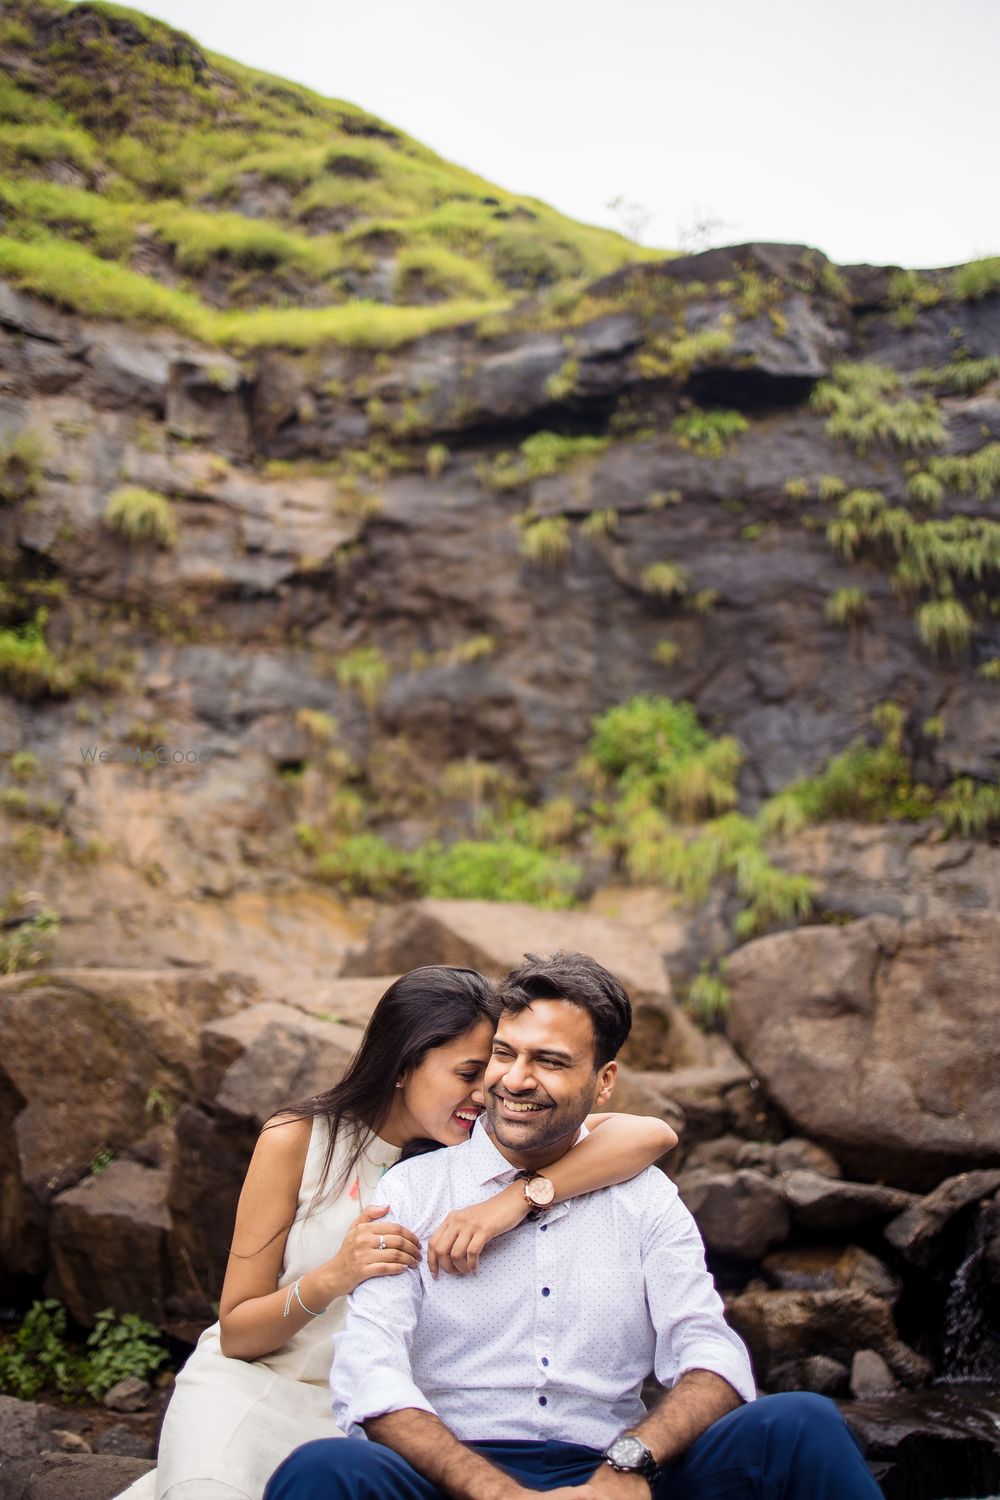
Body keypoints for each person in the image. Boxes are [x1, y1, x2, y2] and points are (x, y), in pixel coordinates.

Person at [265, 951, 885, 1500]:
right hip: (453, 1475)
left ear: (604, 1081)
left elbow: (712, 1355)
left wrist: (629, 1465)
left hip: (614, 1471)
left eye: (551, 1061)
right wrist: (496, 1492)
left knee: (803, 1423)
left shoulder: (647, 1199)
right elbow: (370, 1373)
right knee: (327, 1469)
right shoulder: (415, 1190)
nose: (515, 1079)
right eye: (504, 1054)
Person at [119, 964, 677, 1500]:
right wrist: (332, 1277)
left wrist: (514, 1200)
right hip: (264, 1387)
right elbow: (238, 1333)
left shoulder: (481, 1149)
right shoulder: (299, 1140)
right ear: (404, 1065)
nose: (488, 1092)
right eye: (467, 1073)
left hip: (384, 1414)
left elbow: (650, 1134)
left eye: (489, 1070)